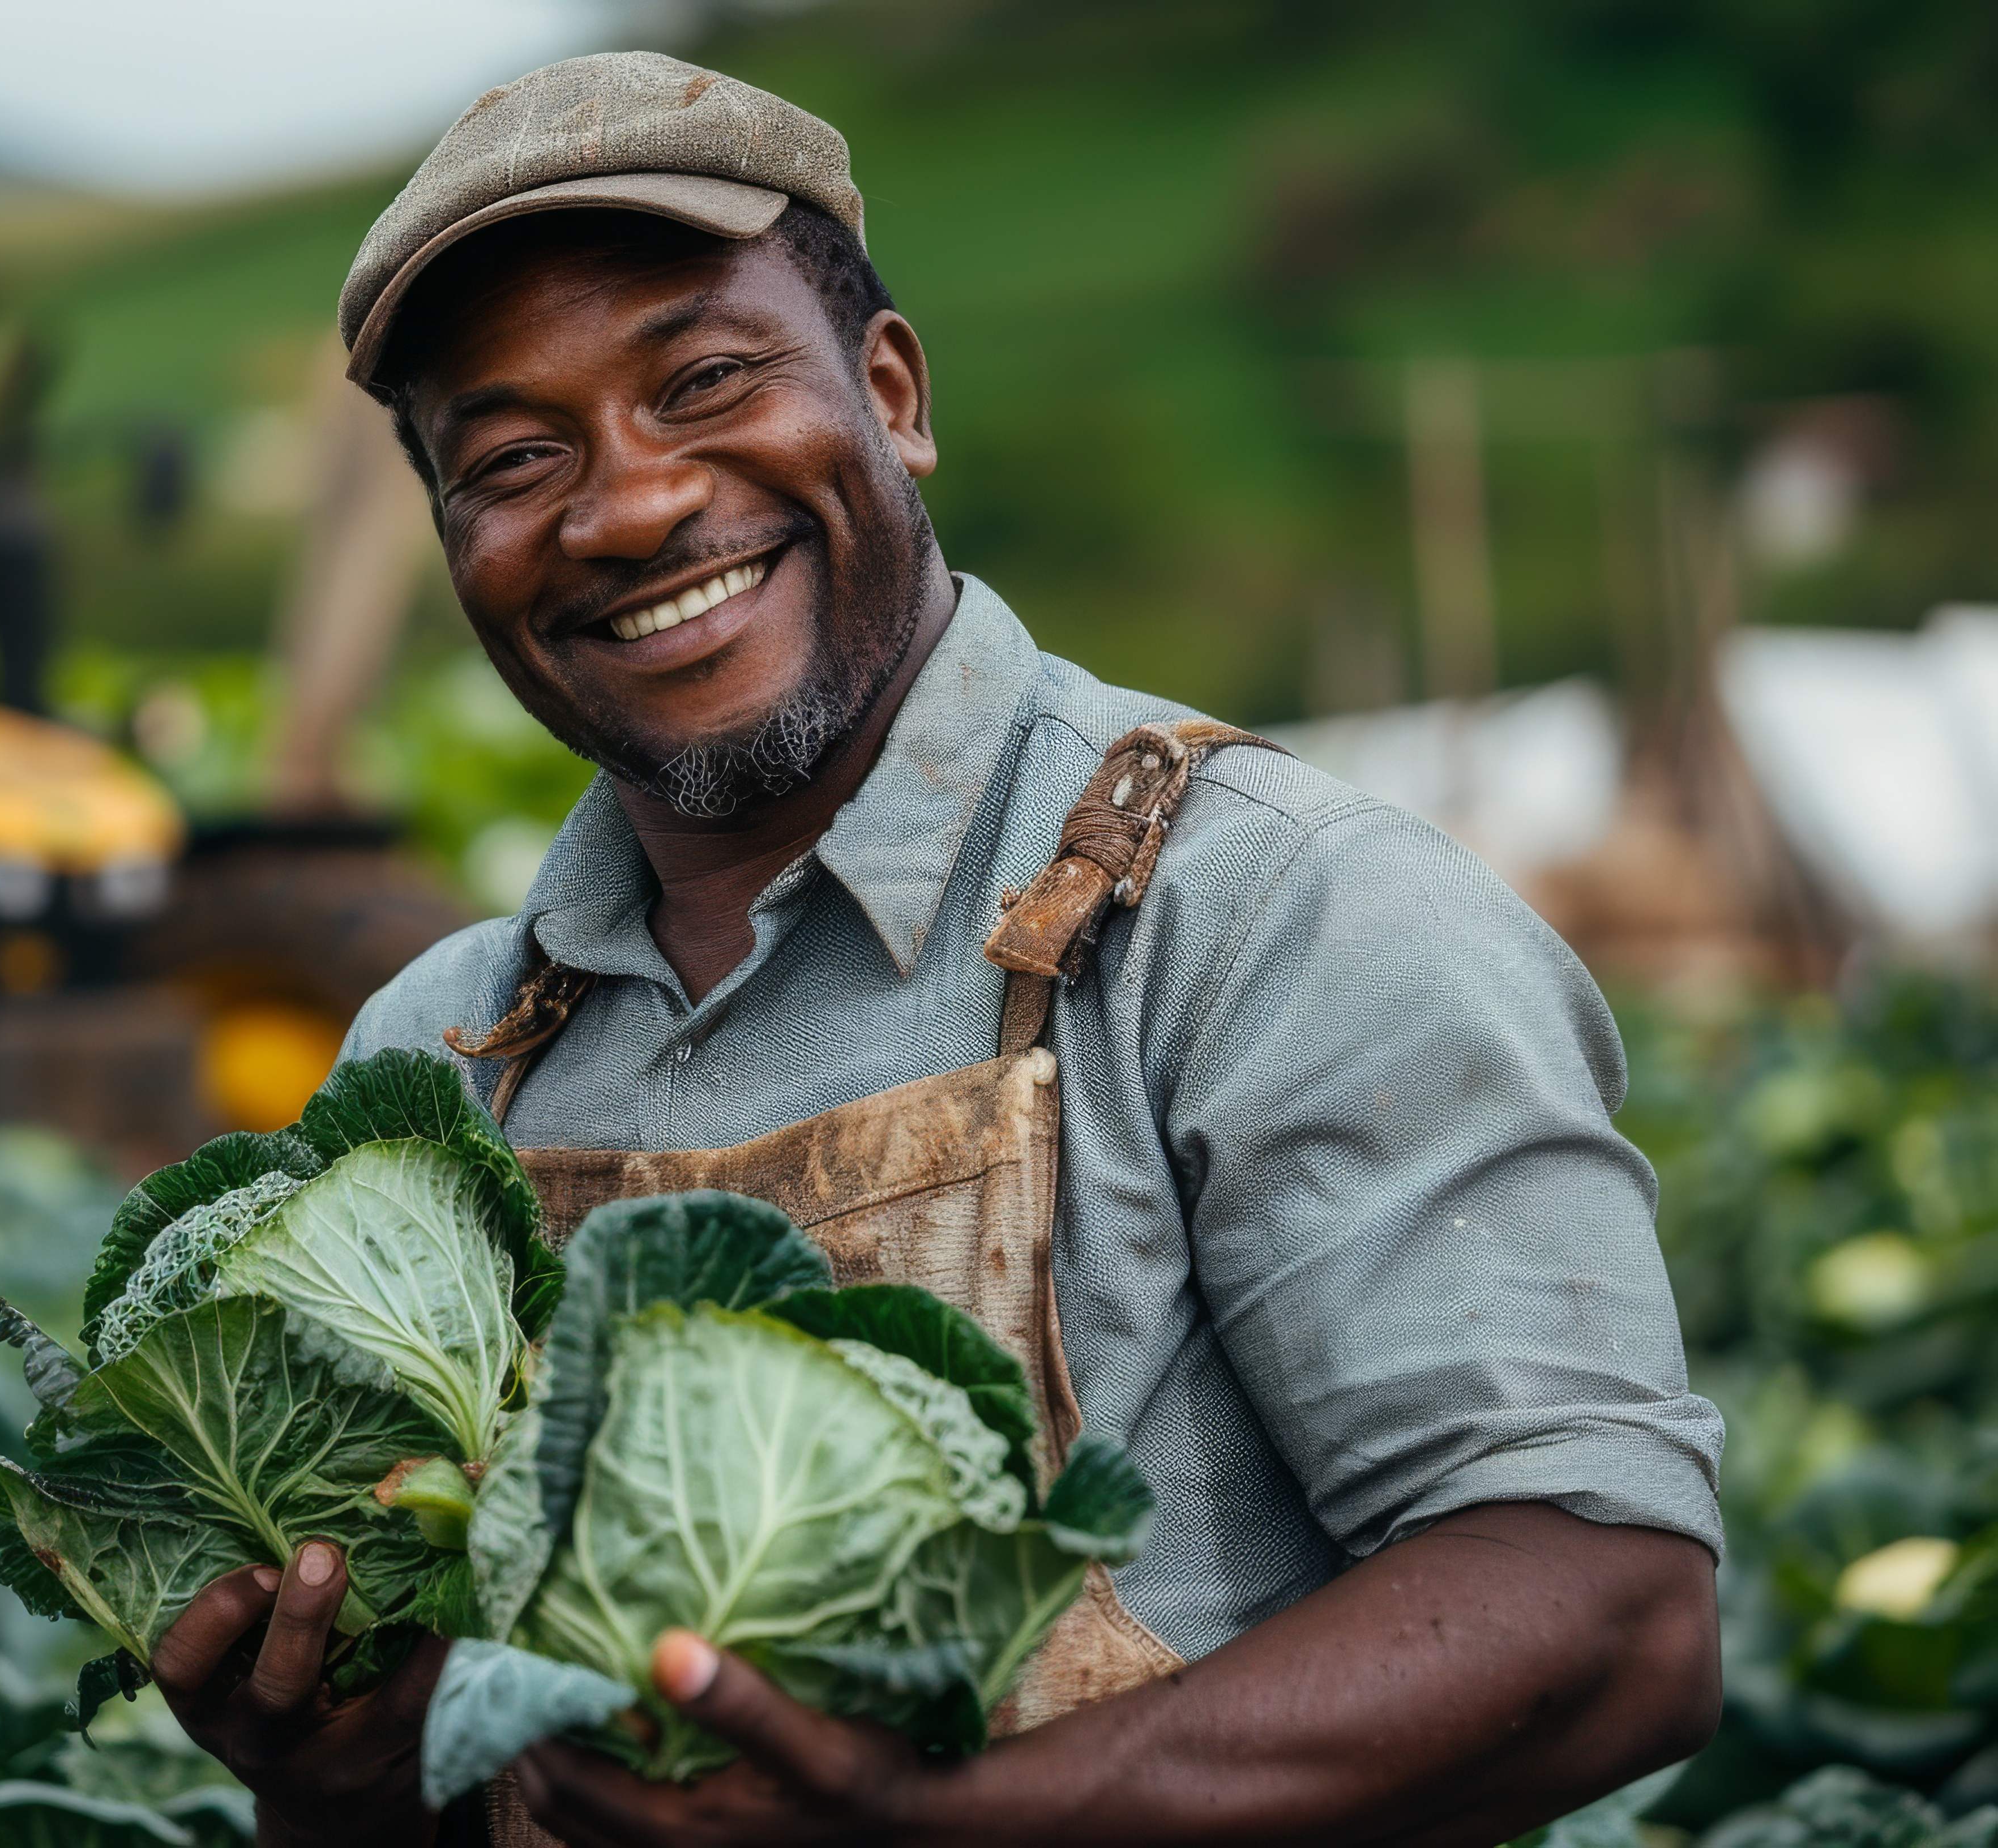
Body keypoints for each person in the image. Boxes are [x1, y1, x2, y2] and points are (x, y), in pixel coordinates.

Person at [141, 50, 1726, 1848]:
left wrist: (956, 1828)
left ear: (890, 395)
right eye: (514, 459)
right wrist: (334, 1787)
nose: (631, 505)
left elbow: (1610, 1615)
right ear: (454, 545)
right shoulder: (435, 1064)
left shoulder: (1269, 911)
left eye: (707, 380)